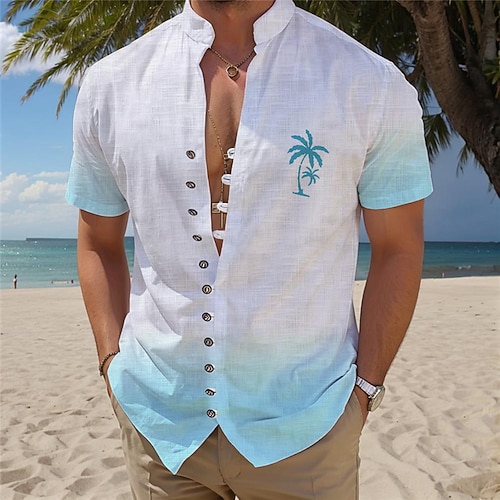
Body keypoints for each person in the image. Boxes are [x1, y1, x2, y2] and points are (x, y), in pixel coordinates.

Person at [66, 0, 433, 498]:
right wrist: (112, 363)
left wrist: (366, 388)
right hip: (159, 422)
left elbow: (398, 247)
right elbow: (98, 240)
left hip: (307, 425)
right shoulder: (111, 84)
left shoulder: (368, 81)